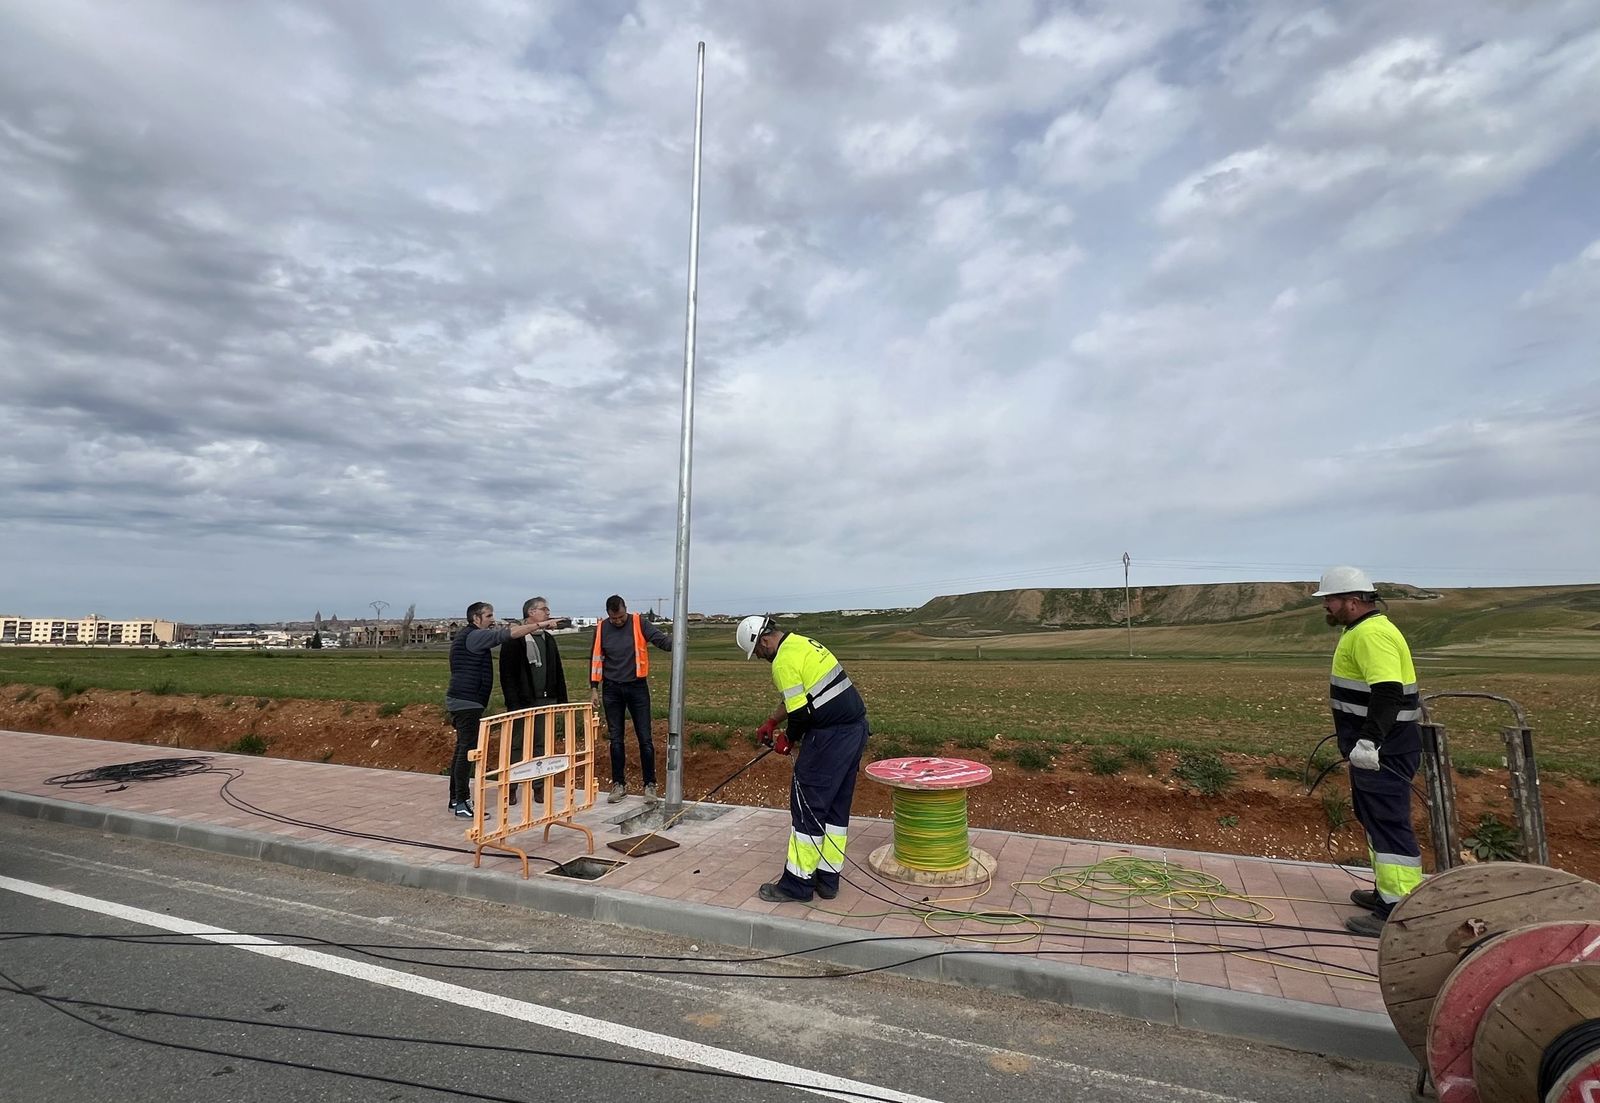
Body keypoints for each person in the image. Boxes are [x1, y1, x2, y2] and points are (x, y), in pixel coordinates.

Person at [1314, 566, 1425, 937]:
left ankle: (1397, 910)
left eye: (1330, 600)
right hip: (1379, 749)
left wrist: (1370, 741)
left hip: (1384, 751)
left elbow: (1388, 692)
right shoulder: (1362, 631)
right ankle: (1386, 893)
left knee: (1389, 824)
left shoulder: (1371, 635)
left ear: (1353, 601)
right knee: (1376, 819)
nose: (1326, 607)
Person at [735, 614, 870, 903]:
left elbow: (800, 714)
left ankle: (797, 884)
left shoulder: (782, 661)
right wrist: (772, 722)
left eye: (757, 652)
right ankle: (827, 879)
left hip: (829, 738)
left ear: (764, 640)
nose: (760, 658)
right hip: (855, 730)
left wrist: (788, 739)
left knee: (807, 805)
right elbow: (801, 696)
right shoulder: (802, 644)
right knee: (835, 808)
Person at [444, 601, 551, 818]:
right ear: (476, 618)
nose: (492, 619)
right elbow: (507, 635)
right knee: (467, 752)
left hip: (463, 700)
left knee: (461, 750)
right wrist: (540, 626)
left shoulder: (467, 636)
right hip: (467, 701)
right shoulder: (474, 635)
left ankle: (456, 798)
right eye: (489, 615)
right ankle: (463, 802)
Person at [589, 596, 671, 804]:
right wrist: (594, 689)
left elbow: (659, 639)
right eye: (614, 618)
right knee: (616, 740)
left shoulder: (639, 622)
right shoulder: (601, 629)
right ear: (608, 614)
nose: (618, 621)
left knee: (645, 739)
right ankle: (619, 785)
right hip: (611, 689)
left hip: (637, 688)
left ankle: (650, 786)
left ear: (626, 610)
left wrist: (675, 643)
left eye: (620, 616)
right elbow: (595, 658)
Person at [498, 596, 569, 805]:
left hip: (547, 701)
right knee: (517, 746)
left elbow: (558, 671)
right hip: (522, 703)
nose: (548, 613)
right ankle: (511, 787)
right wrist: (513, 703)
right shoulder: (515, 639)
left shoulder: (548, 639)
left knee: (542, 746)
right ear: (531, 613)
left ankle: (538, 787)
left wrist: (561, 701)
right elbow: (507, 675)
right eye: (543, 609)